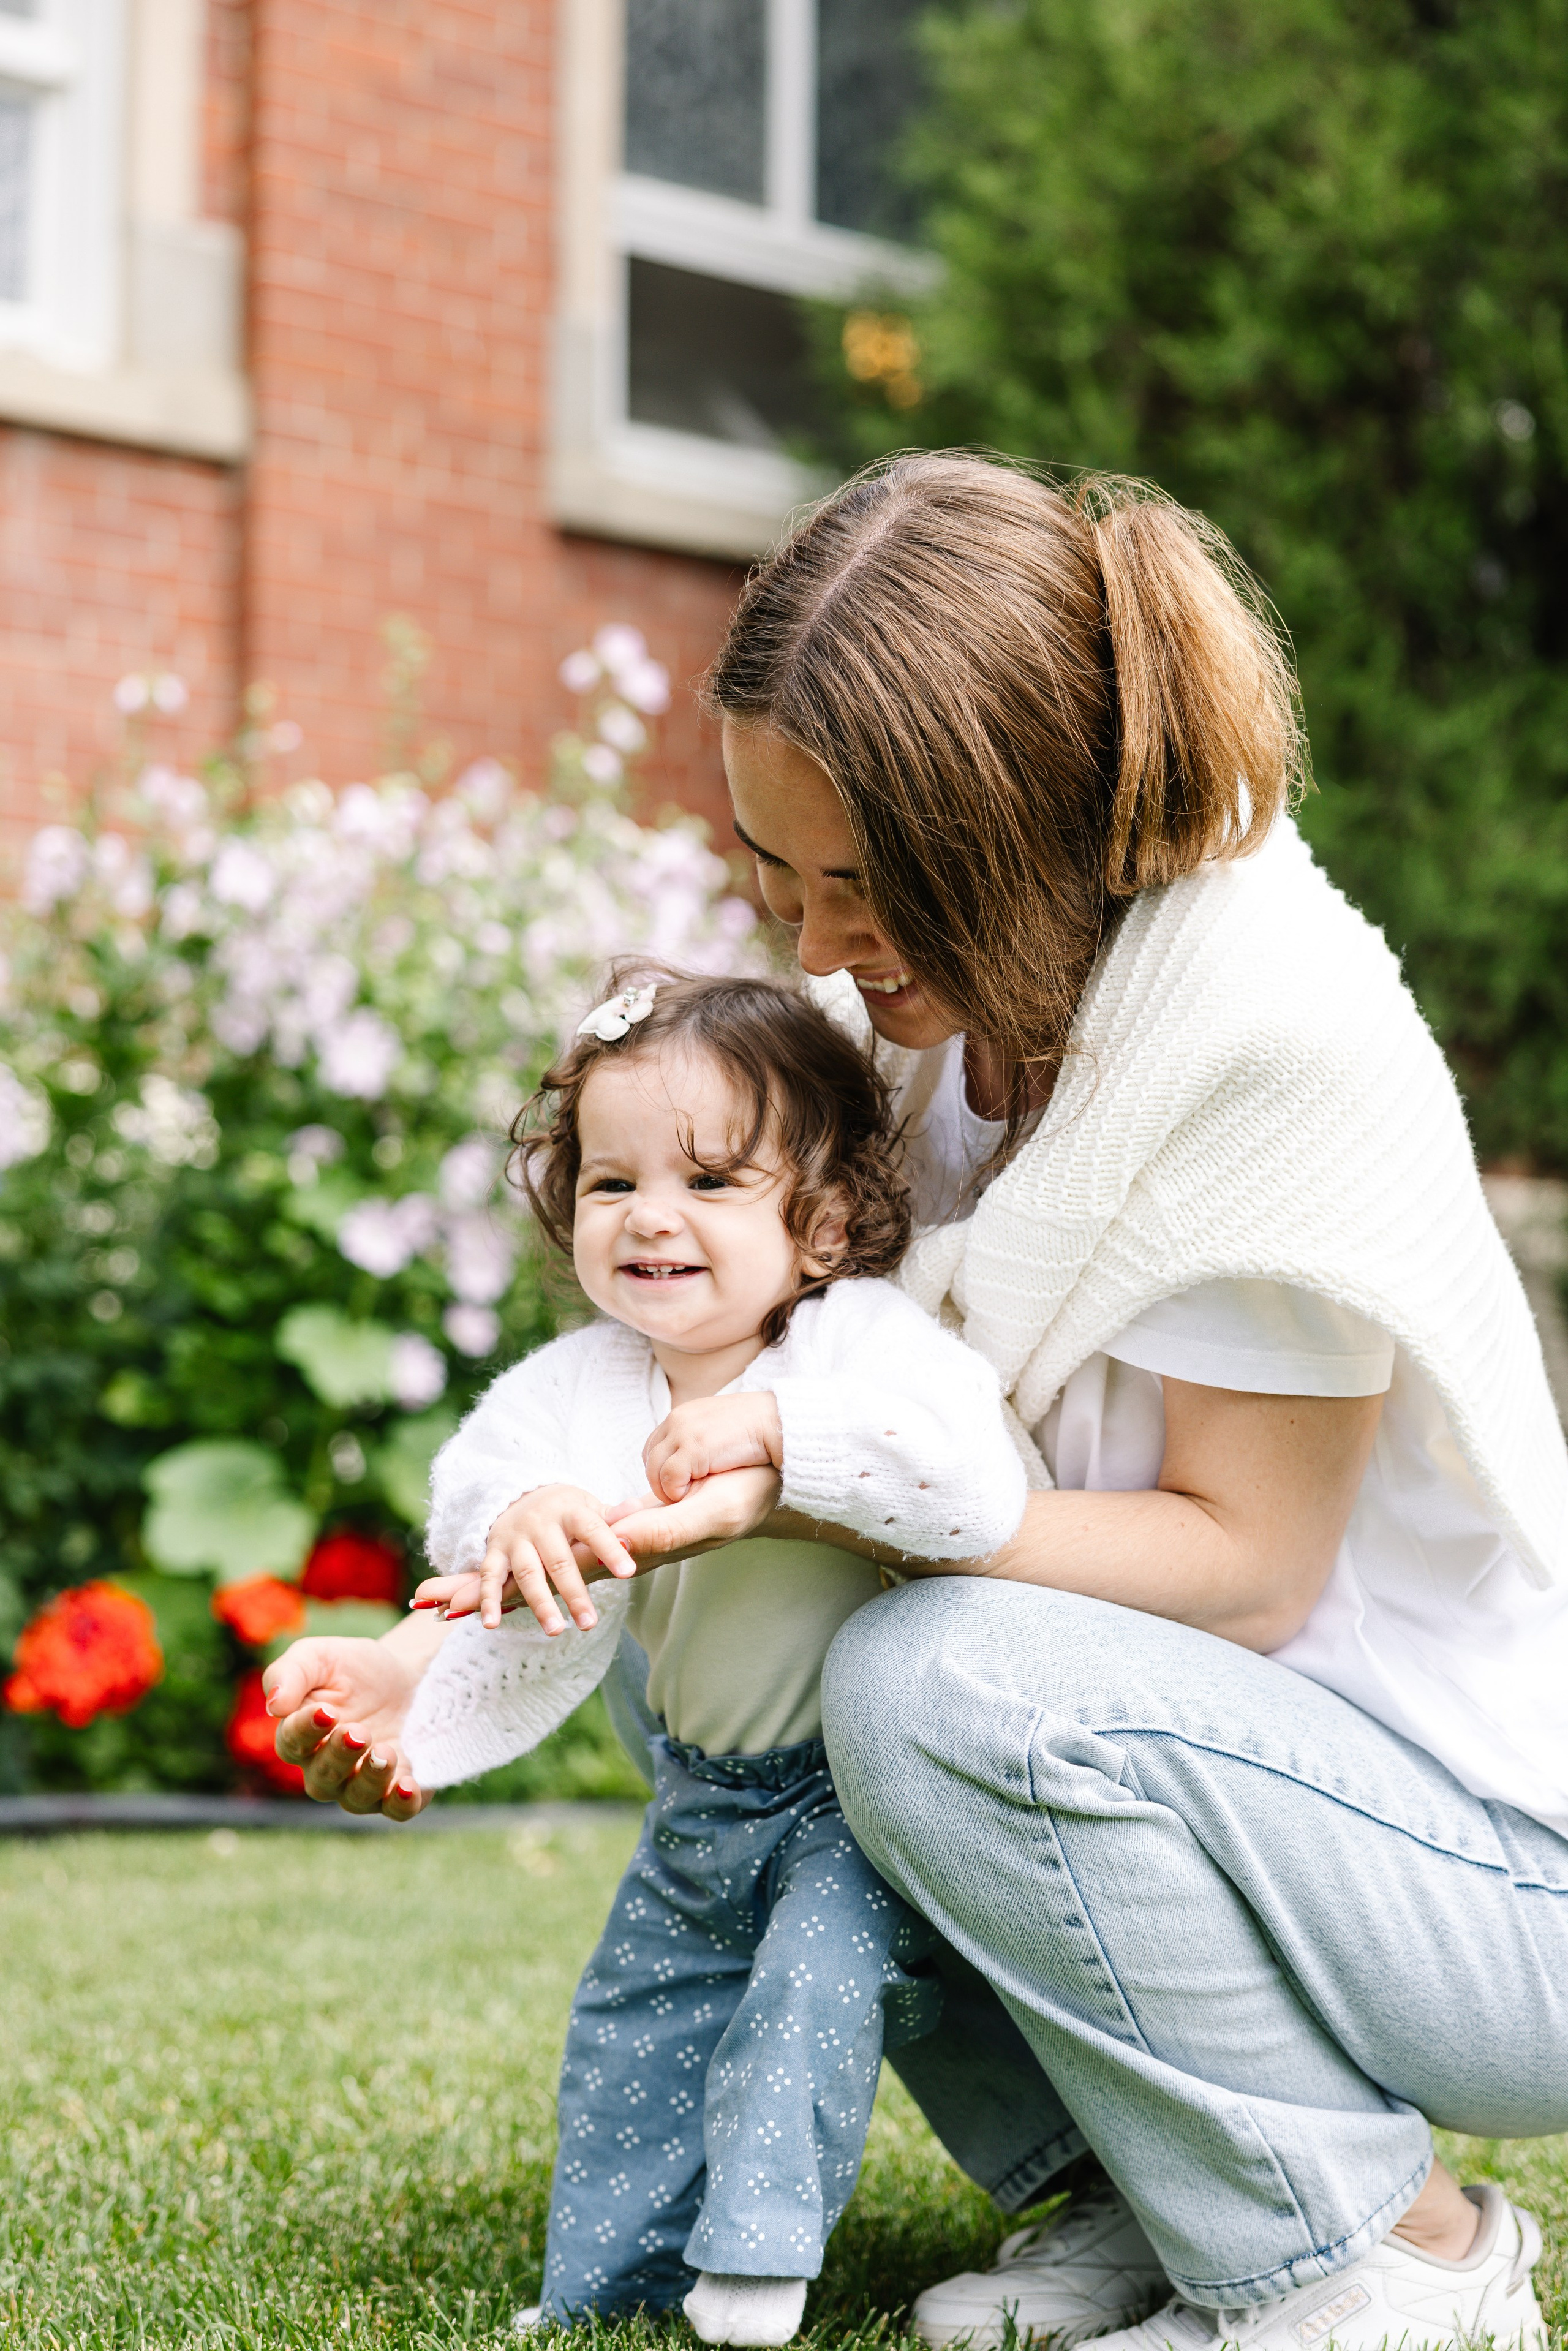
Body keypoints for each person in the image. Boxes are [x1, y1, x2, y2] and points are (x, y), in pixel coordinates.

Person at [266, 456, 1568, 2351]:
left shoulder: (1265, 1050)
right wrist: (437, 1651)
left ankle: (1385, 2255)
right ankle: (1146, 2190)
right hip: (1227, 1787)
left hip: (1483, 1887)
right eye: (770, 878)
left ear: (1017, 837)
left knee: (925, 1670)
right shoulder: (939, 1037)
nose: (810, 950)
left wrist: (811, 1487)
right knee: (734, 1645)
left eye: (860, 889)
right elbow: (692, 1394)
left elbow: (1250, 1570)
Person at [401, 966, 1027, 2344]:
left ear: (818, 1226)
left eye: (710, 1180)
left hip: (847, 1797)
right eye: (610, 1181)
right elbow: (472, 1485)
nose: (649, 1217)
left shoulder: (850, 1342)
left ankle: (754, 2259)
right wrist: (523, 1510)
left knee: (806, 1992)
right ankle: (602, 2284)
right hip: (697, 1795)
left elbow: (971, 1486)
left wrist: (779, 1442)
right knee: (637, 2017)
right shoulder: (588, 1379)